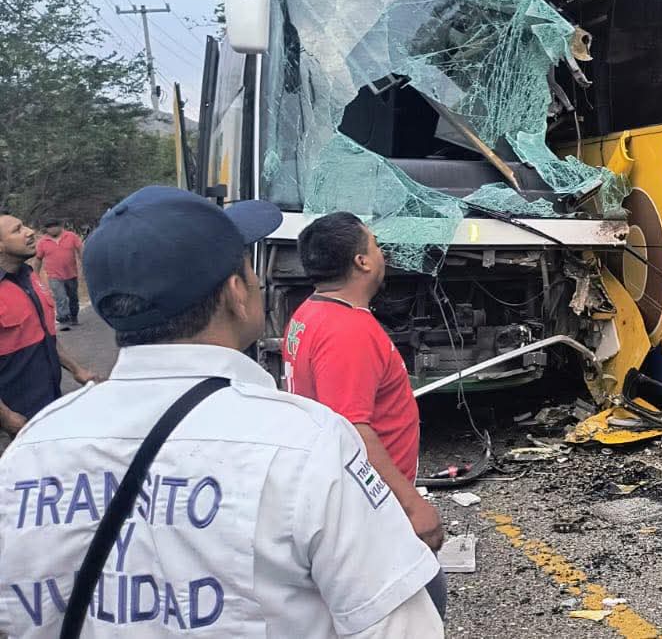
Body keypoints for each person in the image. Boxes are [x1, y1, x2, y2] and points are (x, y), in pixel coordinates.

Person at [0, 188, 444, 637]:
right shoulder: (307, 445)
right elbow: (398, 627)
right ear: (236, 293)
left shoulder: (32, 448)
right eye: (247, 268)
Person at [283, 212, 447, 611]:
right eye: (374, 244)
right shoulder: (348, 331)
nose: (382, 252)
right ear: (362, 262)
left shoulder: (311, 312)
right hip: (368, 506)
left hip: (347, 498)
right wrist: (413, 505)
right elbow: (353, 429)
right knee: (421, 604)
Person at [0, 212, 99, 437]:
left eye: (24, 225)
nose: (29, 231)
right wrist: (6, 418)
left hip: (49, 401)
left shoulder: (29, 277)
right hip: (15, 417)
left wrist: (77, 369)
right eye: (17, 230)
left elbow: (44, 335)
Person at [35, 219, 84, 331]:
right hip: (54, 276)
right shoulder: (43, 242)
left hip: (71, 273)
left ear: (60, 226)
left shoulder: (71, 236)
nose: (52, 229)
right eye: (49, 227)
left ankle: (74, 317)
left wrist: (84, 264)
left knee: (73, 297)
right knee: (60, 297)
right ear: (46, 229)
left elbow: (80, 250)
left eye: (54, 226)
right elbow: (38, 259)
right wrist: (35, 275)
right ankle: (64, 320)